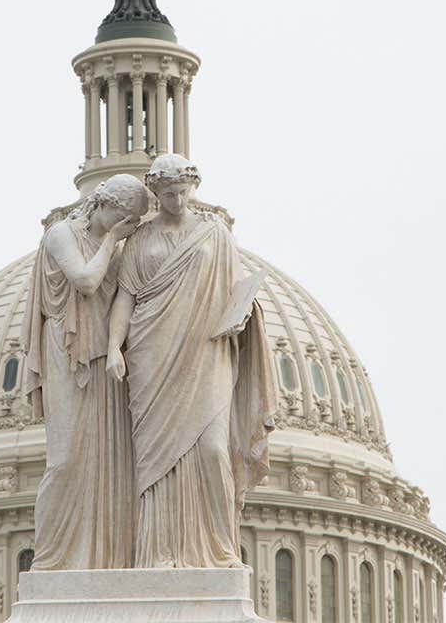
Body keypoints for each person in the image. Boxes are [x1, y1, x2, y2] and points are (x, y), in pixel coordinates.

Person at [107, 155, 276, 568]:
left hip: (207, 352)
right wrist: (113, 348)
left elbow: (236, 290)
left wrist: (242, 315)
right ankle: (158, 552)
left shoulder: (216, 235)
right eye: (169, 194)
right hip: (151, 355)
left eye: (183, 193)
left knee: (214, 450)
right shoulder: (139, 240)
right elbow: (125, 297)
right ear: (156, 194)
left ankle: (218, 550)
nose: (178, 201)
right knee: (154, 461)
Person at [21, 174, 149, 570]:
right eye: (125, 217)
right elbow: (86, 281)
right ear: (106, 205)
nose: (127, 225)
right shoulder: (62, 234)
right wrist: (113, 241)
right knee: (65, 460)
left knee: (108, 462)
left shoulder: (125, 247)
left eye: (133, 221)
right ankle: (52, 559)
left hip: (104, 359)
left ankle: (105, 558)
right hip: (66, 349)